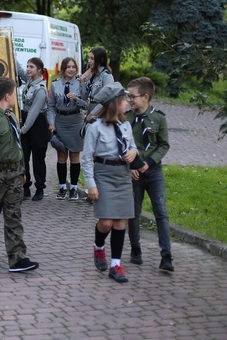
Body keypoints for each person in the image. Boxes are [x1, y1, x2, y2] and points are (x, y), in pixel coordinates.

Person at [0, 76, 39, 273]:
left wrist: (22, 170)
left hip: (14, 173)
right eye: (14, 94)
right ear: (7, 95)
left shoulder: (10, 116)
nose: (15, 97)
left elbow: (16, 146)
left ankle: (17, 258)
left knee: (14, 215)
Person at [82, 82, 138, 283]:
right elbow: (86, 158)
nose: (127, 103)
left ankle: (116, 265)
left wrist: (134, 152)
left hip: (122, 175)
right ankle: (98, 247)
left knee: (120, 222)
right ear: (114, 104)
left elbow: (132, 147)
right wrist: (91, 184)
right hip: (103, 176)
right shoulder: (94, 128)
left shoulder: (126, 125)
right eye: (124, 100)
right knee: (106, 222)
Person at [125, 77, 174, 272]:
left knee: (161, 213)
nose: (129, 100)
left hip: (154, 172)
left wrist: (149, 162)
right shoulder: (127, 118)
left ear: (146, 97)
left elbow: (163, 145)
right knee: (134, 213)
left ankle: (166, 256)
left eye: (132, 96)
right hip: (134, 173)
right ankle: (136, 250)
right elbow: (122, 144)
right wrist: (131, 167)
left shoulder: (159, 118)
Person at [47, 57, 86, 200]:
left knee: (75, 156)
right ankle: (62, 187)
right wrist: (51, 123)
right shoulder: (55, 85)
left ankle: (74, 189)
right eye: (68, 67)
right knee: (61, 156)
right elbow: (50, 106)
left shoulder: (81, 84)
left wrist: (77, 99)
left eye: (73, 67)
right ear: (63, 69)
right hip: (60, 122)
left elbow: (87, 105)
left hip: (76, 122)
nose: (71, 69)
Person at [19, 57, 51, 201]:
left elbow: (33, 113)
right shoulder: (30, 82)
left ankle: (40, 188)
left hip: (37, 124)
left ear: (39, 70)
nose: (28, 69)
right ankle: (26, 187)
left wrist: (23, 129)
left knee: (38, 157)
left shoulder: (41, 90)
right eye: (27, 66)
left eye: (31, 67)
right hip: (26, 120)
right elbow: (19, 71)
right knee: (23, 156)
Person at [80, 47, 114, 118]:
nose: (89, 61)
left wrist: (93, 114)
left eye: (92, 59)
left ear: (100, 60)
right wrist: (82, 80)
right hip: (88, 111)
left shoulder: (106, 76)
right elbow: (84, 97)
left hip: (100, 114)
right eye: (89, 58)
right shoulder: (91, 75)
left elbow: (107, 99)